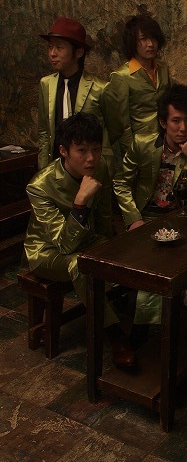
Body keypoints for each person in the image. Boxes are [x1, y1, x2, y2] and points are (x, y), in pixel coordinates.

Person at [24, 112, 136, 368]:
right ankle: (116, 336)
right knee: (81, 265)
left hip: (85, 240)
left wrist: (110, 247)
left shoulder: (101, 167)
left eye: (95, 149)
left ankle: (138, 317)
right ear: (63, 151)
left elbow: (105, 216)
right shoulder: (40, 186)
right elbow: (64, 245)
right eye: (82, 150)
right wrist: (80, 202)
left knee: (127, 249)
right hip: (46, 252)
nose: (91, 158)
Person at [113, 83, 187, 339]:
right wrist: (133, 220)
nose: (183, 128)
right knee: (154, 260)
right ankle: (147, 330)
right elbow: (121, 183)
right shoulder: (143, 143)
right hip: (147, 217)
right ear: (163, 122)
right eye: (176, 121)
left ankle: (155, 327)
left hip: (183, 219)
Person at [38, 17, 113, 174]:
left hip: (90, 168)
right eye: (50, 47)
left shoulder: (100, 88)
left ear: (78, 52)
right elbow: (44, 133)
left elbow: (113, 133)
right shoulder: (46, 84)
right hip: (56, 169)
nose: (52, 53)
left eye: (59, 47)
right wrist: (43, 171)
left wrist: (103, 168)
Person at [103, 14, 170, 156]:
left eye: (153, 38)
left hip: (167, 141)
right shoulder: (121, 76)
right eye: (143, 39)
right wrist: (131, 154)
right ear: (132, 42)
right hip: (140, 147)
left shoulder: (163, 68)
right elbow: (122, 125)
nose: (150, 44)